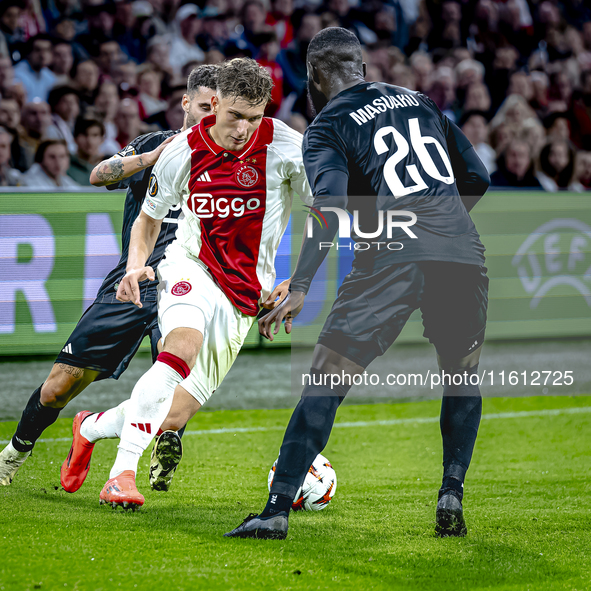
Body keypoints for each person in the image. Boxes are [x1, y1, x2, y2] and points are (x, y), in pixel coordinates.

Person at [226, 27, 490, 540]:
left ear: (314, 78)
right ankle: (451, 492)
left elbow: (328, 207)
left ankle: (277, 510)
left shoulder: (326, 126)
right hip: (462, 255)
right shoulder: (422, 102)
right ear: (362, 68)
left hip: (391, 258)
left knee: (326, 380)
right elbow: (476, 177)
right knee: (461, 376)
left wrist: (300, 283)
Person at [77, 57, 311, 510]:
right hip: (190, 266)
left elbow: (322, 213)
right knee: (180, 345)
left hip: (244, 294)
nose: (244, 129)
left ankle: (89, 427)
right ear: (215, 103)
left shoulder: (287, 147)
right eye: (234, 116)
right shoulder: (182, 149)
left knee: (172, 414)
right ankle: (120, 476)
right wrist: (134, 266)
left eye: (255, 117)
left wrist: (297, 281)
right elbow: (147, 221)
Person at [0, 65, 219, 488]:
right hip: (132, 280)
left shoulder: (226, 163)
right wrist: (153, 158)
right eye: (205, 106)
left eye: (218, 107)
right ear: (186, 103)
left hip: (183, 286)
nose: (211, 115)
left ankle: (155, 447)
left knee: (174, 389)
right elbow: (101, 175)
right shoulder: (155, 143)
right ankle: (16, 451)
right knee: (58, 387)